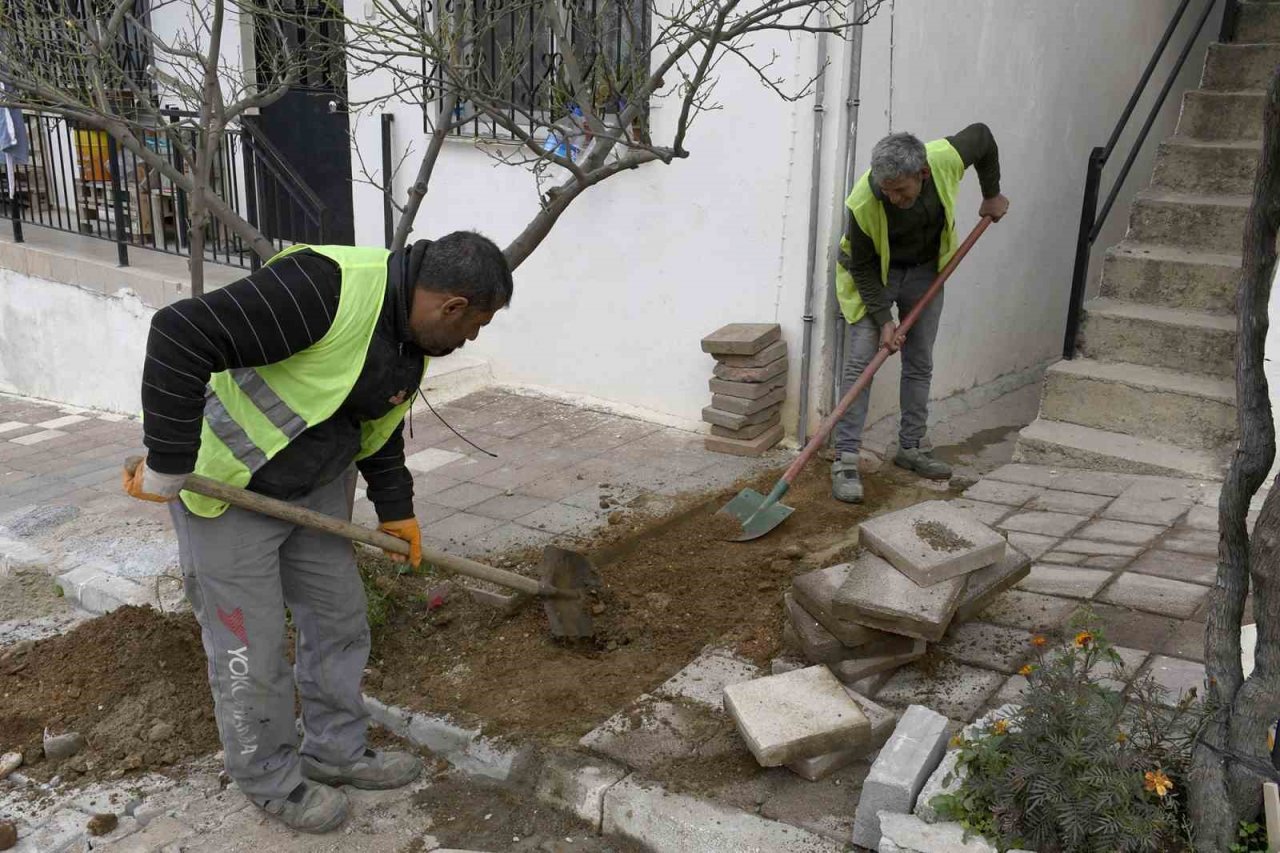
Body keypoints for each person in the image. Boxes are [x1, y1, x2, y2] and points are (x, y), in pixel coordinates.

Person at [122, 233, 513, 832]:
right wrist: (168, 460)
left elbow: (373, 421)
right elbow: (180, 332)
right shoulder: (323, 287)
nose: (472, 340)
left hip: (316, 492)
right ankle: (270, 779)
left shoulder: (411, 336)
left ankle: (336, 753)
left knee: (338, 622)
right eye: (475, 326)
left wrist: (395, 507)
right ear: (451, 306)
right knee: (249, 652)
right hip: (229, 489)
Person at [831, 126, 1009, 503]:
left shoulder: (944, 159)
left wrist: (991, 194)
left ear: (922, 174)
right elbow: (862, 267)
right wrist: (884, 321)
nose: (892, 198)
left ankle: (911, 447)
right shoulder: (864, 200)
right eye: (886, 190)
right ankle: (845, 456)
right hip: (875, 275)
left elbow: (983, 137)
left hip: (927, 271)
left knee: (919, 360)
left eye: (901, 190)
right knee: (861, 365)